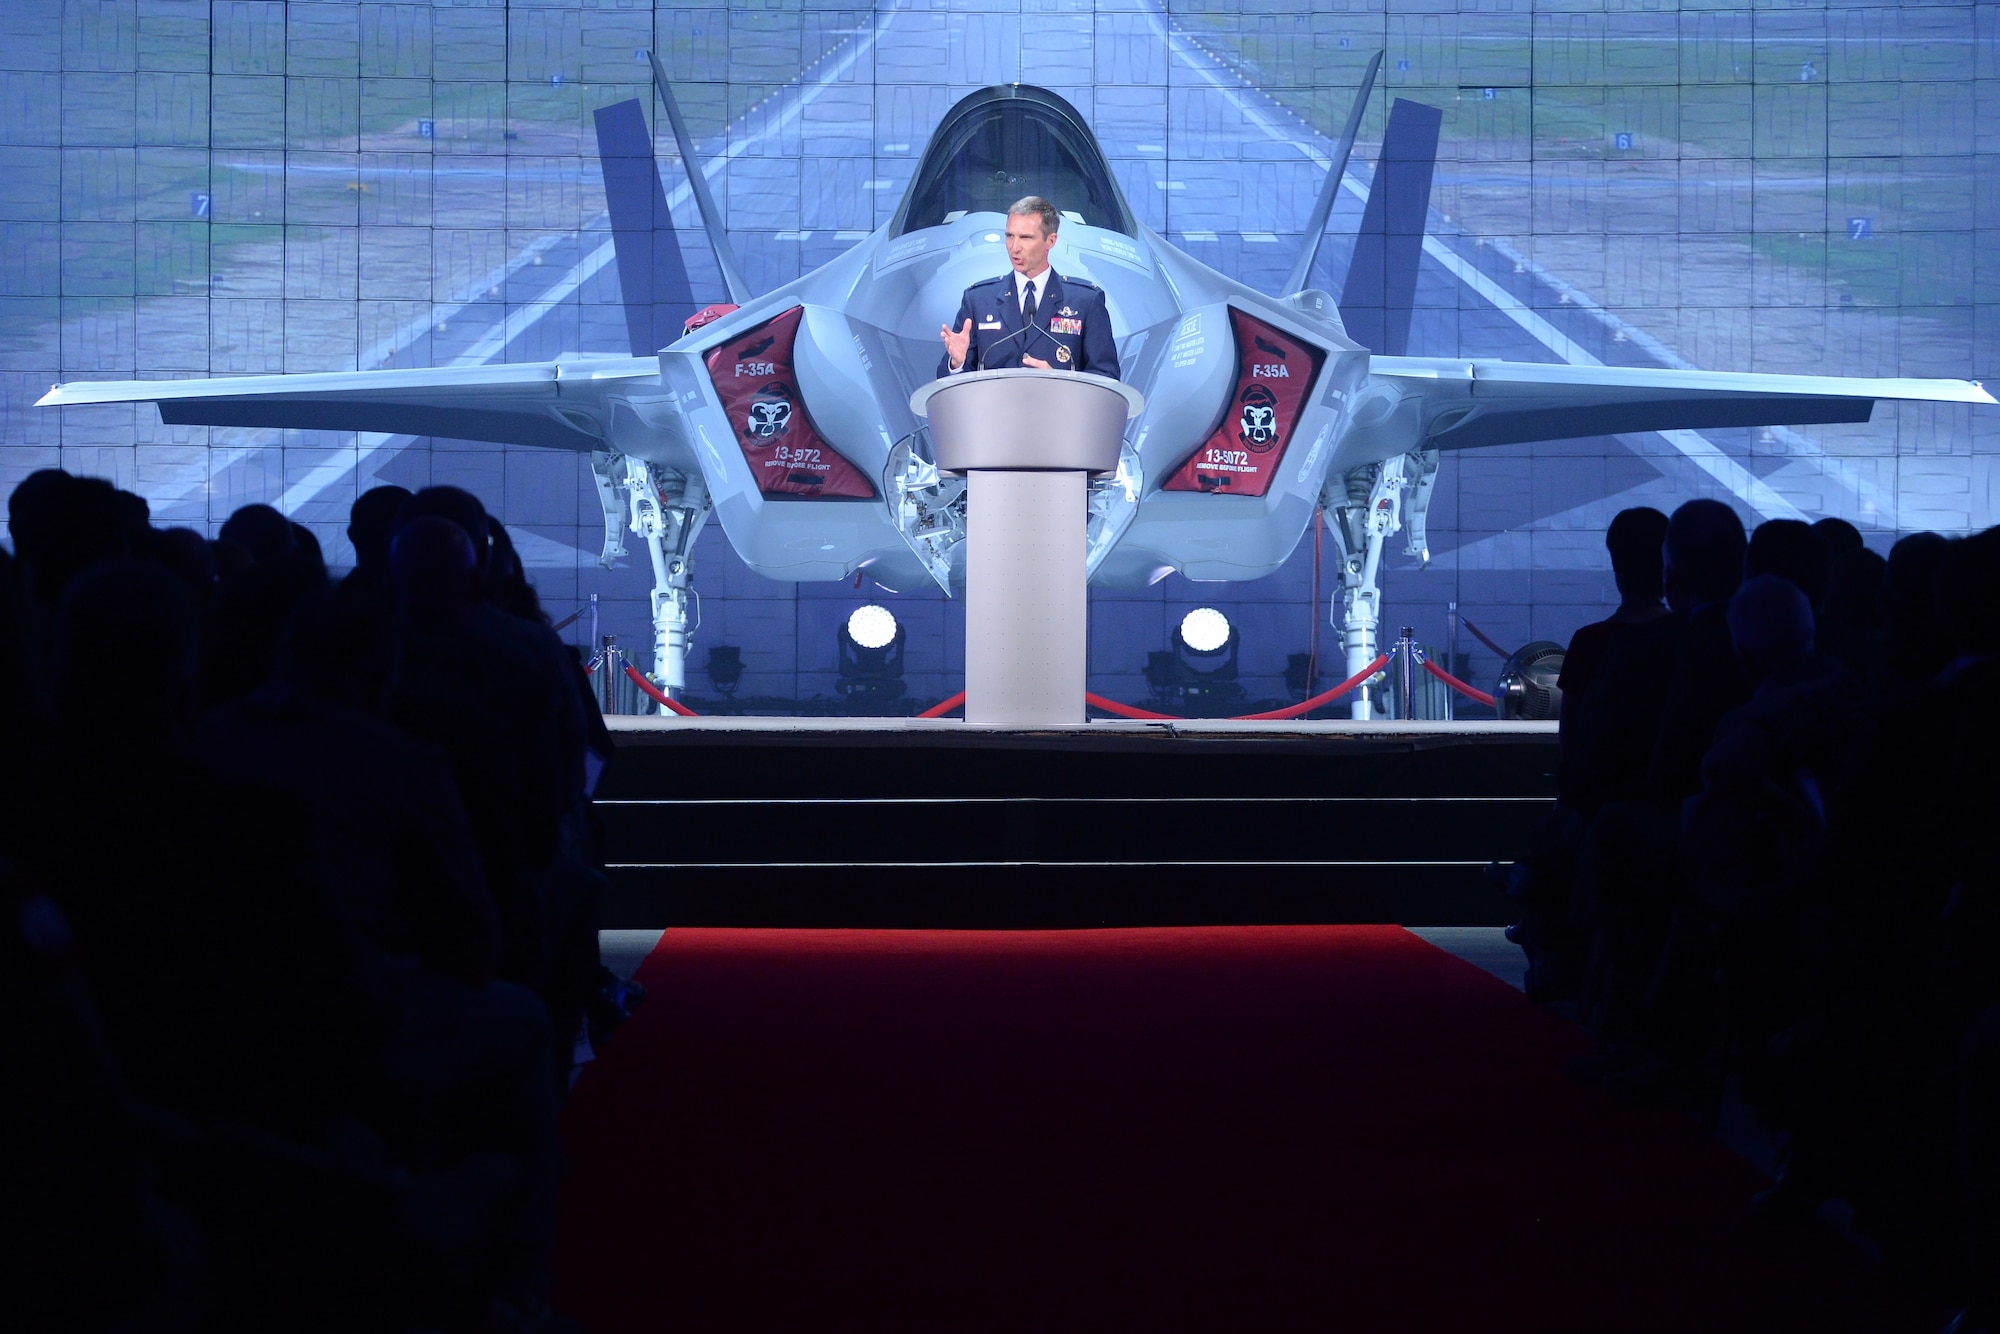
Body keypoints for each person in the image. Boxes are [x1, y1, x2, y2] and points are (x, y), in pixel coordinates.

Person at [936, 195, 1119, 380]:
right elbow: (946, 381)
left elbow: (1107, 377)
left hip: (1059, 408)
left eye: (1026, 238)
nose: (1014, 247)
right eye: (1009, 236)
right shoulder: (978, 300)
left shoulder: (1085, 301)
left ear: (1051, 241)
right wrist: (957, 364)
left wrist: (1061, 382)